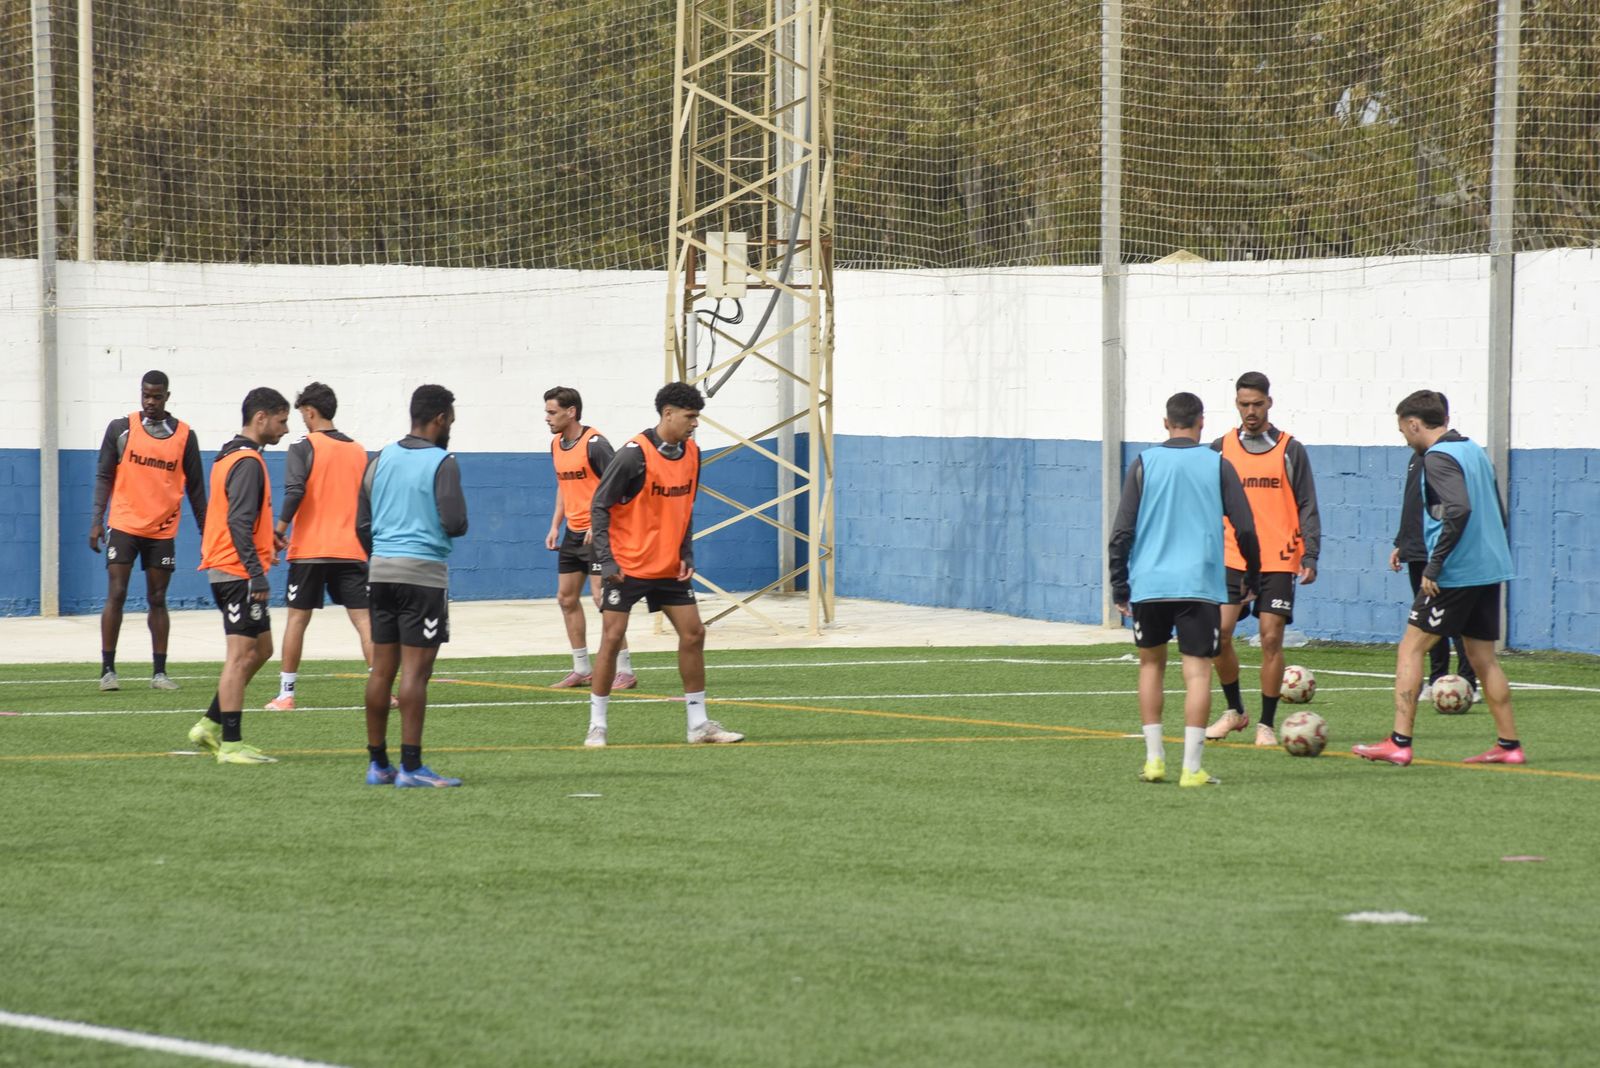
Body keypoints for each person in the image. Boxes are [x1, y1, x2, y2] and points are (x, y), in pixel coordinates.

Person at [1355, 391, 1524, 767]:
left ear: (1415, 424)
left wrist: (1435, 565)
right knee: (1483, 658)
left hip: (1455, 572)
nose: (1405, 438)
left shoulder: (1437, 457)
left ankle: (1399, 741)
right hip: (1488, 567)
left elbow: (1459, 509)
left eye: (1403, 431)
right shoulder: (1474, 451)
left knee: (1411, 648)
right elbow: (1496, 511)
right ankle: (1509, 745)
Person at [1109, 391, 1260, 788]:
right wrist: (1255, 574)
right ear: (1201, 422)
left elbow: (1121, 531)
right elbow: (1244, 526)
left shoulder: (1144, 463)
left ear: (1165, 423)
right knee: (1196, 674)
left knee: (1151, 666)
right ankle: (1191, 768)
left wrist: (1118, 584)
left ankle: (1154, 760)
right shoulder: (1217, 464)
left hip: (1151, 584)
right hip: (1198, 585)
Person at [584, 382, 742, 748]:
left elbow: (685, 507)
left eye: (697, 417)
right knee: (611, 640)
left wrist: (686, 552)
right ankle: (597, 725)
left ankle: (698, 724)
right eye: (690, 417)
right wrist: (605, 562)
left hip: (669, 567)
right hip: (627, 567)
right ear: (667, 413)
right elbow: (599, 506)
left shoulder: (693, 454)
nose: (695, 424)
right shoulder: (632, 455)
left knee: (694, 634)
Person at [356, 384, 469, 787]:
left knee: (381, 671)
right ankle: (411, 766)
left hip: (381, 570)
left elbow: (361, 525)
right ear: (440, 419)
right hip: (422, 575)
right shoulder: (443, 462)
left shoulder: (380, 458)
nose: (451, 426)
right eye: (451, 419)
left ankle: (377, 764)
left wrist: (384, 552)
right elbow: (455, 522)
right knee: (416, 674)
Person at [1203, 371, 1321, 747]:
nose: (1250, 411)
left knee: (1270, 638)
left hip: (1278, 557)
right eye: (1243, 404)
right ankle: (1235, 710)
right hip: (1232, 556)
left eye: (1257, 404)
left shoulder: (1290, 449)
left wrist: (1311, 553)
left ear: (1269, 402)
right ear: (1236, 404)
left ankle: (1266, 725)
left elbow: (1307, 503)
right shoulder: (1220, 448)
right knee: (1219, 636)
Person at [264, 382, 392, 711]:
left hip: (310, 549)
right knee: (364, 622)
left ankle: (286, 694)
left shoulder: (303, 447)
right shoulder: (358, 450)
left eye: (302, 414)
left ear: (310, 411)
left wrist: (278, 531)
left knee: (297, 621)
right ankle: (384, 692)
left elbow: (294, 491)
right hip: (350, 548)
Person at [186, 388, 291, 765]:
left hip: (235, 567)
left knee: (261, 650)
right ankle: (230, 743)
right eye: (281, 420)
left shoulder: (232, 455)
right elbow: (237, 521)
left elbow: (242, 516)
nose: (286, 428)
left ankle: (210, 724)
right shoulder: (246, 461)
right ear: (260, 418)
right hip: (236, 572)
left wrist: (269, 538)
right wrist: (255, 574)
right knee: (239, 655)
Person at [89, 370, 207, 692]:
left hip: (162, 530)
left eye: (156, 396)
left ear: (167, 396)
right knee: (117, 593)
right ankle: (108, 670)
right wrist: (97, 520)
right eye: (146, 395)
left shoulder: (184, 435)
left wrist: (206, 533)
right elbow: (104, 476)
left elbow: (197, 489)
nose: (150, 402)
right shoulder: (121, 428)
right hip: (125, 524)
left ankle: (159, 673)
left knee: (158, 598)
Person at [542, 386, 636, 690]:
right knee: (566, 598)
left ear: (571, 412)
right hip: (572, 533)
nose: (547, 418)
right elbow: (562, 485)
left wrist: (600, 522)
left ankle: (625, 671)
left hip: (598, 534)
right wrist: (555, 524)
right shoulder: (556, 444)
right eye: (546, 412)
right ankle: (581, 669)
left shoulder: (596, 444)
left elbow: (617, 486)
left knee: (602, 599)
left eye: (552, 412)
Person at [1389, 392, 1477, 701]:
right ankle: (1438, 677)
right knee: (1427, 620)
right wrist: (1401, 541)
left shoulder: (1444, 457)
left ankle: (1467, 680)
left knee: (1455, 622)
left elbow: (1459, 509)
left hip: (1441, 553)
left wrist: (1438, 556)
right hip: (1416, 548)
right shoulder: (1417, 458)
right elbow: (1413, 503)